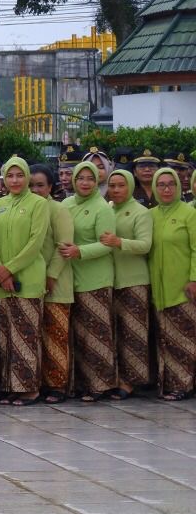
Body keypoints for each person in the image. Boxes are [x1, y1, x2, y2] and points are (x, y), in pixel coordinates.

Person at [0, 157, 51, 405]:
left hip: (29, 277)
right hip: (2, 281)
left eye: (19, 175)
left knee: (26, 334)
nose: (14, 180)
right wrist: (0, 270)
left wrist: (10, 269)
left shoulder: (38, 204)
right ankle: (11, 386)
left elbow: (35, 242)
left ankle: (30, 388)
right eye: (10, 176)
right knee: (7, 337)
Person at [60, 161, 117, 401]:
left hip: (96, 278)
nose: (85, 183)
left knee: (97, 333)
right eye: (81, 178)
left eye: (90, 179)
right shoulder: (66, 204)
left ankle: (101, 385)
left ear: (97, 181)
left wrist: (79, 251)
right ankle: (81, 383)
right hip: (71, 277)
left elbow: (106, 245)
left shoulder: (101, 207)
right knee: (78, 334)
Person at [104, 169, 152, 398]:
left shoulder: (140, 212)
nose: (115, 190)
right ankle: (116, 377)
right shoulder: (109, 209)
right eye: (112, 185)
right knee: (115, 332)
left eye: (121, 185)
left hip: (134, 280)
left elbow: (145, 245)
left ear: (130, 187)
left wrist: (119, 242)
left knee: (133, 334)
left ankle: (131, 382)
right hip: (112, 279)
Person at [149, 167, 196, 401]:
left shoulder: (189, 213)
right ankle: (167, 383)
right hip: (160, 288)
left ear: (179, 187)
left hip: (183, 287)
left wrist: (194, 279)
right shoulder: (152, 215)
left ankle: (183, 385)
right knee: (165, 338)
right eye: (161, 184)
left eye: (171, 184)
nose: (166, 189)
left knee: (184, 339)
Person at [31, 165, 75, 403]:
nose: (35, 189)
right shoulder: (26, 208)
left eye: (40, 185)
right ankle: (38, 382)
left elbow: (64, 246)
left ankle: (57, 386)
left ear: (50, 187)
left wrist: (51, 275)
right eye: (31, 185)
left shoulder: (57, 210)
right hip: (31, 283)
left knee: (55, 336)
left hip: (56, 283)